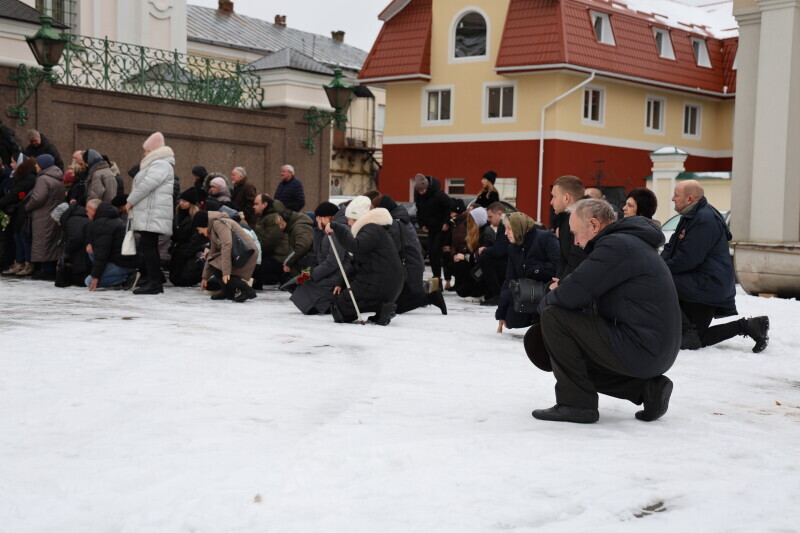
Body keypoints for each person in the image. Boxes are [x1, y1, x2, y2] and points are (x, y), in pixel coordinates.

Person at [533, 199, 681, 424]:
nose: (575, 242)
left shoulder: (616, 246)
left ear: (593, 225)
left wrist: (547, 301)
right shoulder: (628, 243)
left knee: (553, 317)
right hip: (652, 347)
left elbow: (570, 295)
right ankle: (646, 390)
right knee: (562, 350)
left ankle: (576, 404)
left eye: (575, 234)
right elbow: (583, 290)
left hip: (643, 347)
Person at [661, 180, 769, 352]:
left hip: (706, 285)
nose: (672, 198)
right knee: (689, 338)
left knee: (661, 282)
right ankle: (749, 326)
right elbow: (671, 247)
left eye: (676, 195)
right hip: (697, 284)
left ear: (689, 199)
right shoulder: (690, 216)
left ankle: (745, 326)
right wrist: (660, 264)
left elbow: (688, 259)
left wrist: (659, 270)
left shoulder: (704, 219)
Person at [325, 198, 405, 325]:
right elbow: (356, 263)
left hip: (380, 282)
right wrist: (341, 282)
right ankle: (383, 309)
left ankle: (385, 308)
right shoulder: (373, 229)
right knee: (342, 305)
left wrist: (336, 227)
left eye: (349, 219)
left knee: (339, 310)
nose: (348, 223)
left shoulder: (371, 229)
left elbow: (355, 246)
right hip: (385, 282)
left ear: (357, 218)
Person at [127, 132, 175, 295]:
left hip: (152, 212)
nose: (144, 154)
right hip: (152, 211)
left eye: (146, 150)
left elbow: (147, 184)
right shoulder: (159, 164)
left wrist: (131, 200)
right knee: (149, 246)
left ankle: (155, 282)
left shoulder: (160, 164)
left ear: (154, 150)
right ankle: (154, 280)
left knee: (148, 246)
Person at [496, 212, 559, 332]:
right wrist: (501, 311)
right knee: (511, 320)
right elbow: (509, 278)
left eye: (509, 228)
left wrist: (537, 270)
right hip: (525, 292)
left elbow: (558, 264)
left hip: (547, 289)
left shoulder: (545, 238)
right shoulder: (513, 247)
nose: (506, 233)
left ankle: (543, 320)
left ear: (518, 227)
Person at [289, 201, 352, 314]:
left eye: (318, 218)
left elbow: (334, 261)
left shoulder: (335, 230)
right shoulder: (329, 230)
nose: (317, 221)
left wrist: (313, 274)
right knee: (300, 284)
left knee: (306, 286)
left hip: (339, 275)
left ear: (325, 218)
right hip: (332, 272)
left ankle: (326, 306)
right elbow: (320, 254)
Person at [195, 210, 258, 303]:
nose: (200, 232)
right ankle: (228, 292)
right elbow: (212, 253)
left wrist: (226, 271)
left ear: (204, 224)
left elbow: (227, 244)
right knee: (217, 267)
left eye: (199, 229)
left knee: (221, 271)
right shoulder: (214, 227)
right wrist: (205, 277)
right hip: (238, 253)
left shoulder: (218, 223)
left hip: (245, 253)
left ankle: (247, 290)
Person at [25, 154, 65, 280]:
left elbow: (38, 198)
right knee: (50, 241)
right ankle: (49, 269)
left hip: (42, 215)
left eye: (37, 163)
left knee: (42, 241)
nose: (36, 166)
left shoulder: (43, 179)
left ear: (43, 165)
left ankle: (46, 270)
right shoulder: (57, 178)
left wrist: (27, 206)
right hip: (53, 214)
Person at [84, 199, 138, 290]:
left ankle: (126, 278)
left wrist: (95, 277)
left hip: (124, 263)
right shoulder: (109, 219)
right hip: (124, 260)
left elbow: (102, 253)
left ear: (93, 211)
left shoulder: (102, 224)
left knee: (88, 282)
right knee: (91, 250)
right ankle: (120, 275)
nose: (86, 214)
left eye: (87, 211)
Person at [0, 155, 36, 276]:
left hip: (23, 212)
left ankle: (27, 263)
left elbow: (15, 194)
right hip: (17, 211)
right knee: (17, 237)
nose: (11, 165)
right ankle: (19, 262)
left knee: (23, 238)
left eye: (13, 162)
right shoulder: (17, 176)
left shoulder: (28, 178)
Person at [448, 206, 494, 299]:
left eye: (471, 219)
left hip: (480, 272)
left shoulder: (485, 232)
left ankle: (479, 289)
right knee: (455, 265)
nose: (469, 222)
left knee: (462, 290)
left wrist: (465, 257)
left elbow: (481, 256)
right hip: (475, 267)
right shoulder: (479, 230)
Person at [414, 173, 450, 286]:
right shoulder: (419, 196)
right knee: (431, 251)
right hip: (430, 228)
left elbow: (448, 207)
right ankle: (437, 278)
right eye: (419, 191)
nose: (421, 193)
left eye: (422, 190)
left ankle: (446, 279)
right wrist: (422, 224)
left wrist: (446, 222)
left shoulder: (439, 195)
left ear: (427, 187)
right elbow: (419, 211)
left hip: (442, 228)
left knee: (438, 251)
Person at [551, 175, 588, 279]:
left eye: (554, 196)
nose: (551, 202)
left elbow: (577, 259)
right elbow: (564, 258)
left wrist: (561, 285)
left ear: (566, 197)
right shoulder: (565, 217)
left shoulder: (585, 218)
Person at [168, 188, 206, 287]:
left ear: (191, 203)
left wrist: (185, 251)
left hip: (189, 251)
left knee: (183, 279)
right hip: (178, 250)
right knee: (175, 279)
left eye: (185, 201)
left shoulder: (196, 217)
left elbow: (197, 238)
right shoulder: (177, 215)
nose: (181, 203)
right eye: (181, 200)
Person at [477, 202, 510, 306]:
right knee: (486, 257)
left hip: (512, 263)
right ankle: (493, 292)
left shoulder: (505, 225)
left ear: (499, 213)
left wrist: (485, 250)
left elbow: (500, 251)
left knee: (485, 258)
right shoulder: (504, 224)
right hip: (510, 261)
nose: (488, 220)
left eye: (490, 216)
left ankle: (496, 294)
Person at [52, 201, 92, 286]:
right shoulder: (76, 218)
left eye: (57, 220)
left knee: (80, 276)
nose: (58, 223)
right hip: (85, 250)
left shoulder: (72, 220)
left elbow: (76, 239)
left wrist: (67, 249)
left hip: (82, 253)